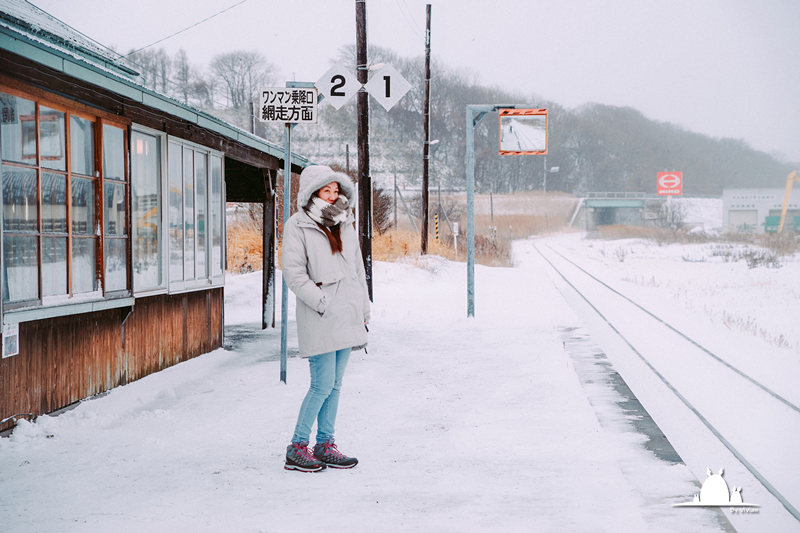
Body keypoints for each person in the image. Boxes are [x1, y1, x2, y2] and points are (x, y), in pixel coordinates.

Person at [281, 165, 370, 472]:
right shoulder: (298, 225)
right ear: (312, 193)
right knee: (322, 384)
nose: (333, 197)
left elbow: (357, 270)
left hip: (347, 312)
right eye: (326, 191)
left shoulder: (345, 222)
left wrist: (363, 309)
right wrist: (321, 301)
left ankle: (325, 444)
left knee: (335, 385)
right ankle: (297, 447)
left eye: (336, 190)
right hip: (321, 314)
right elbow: (293, 273)